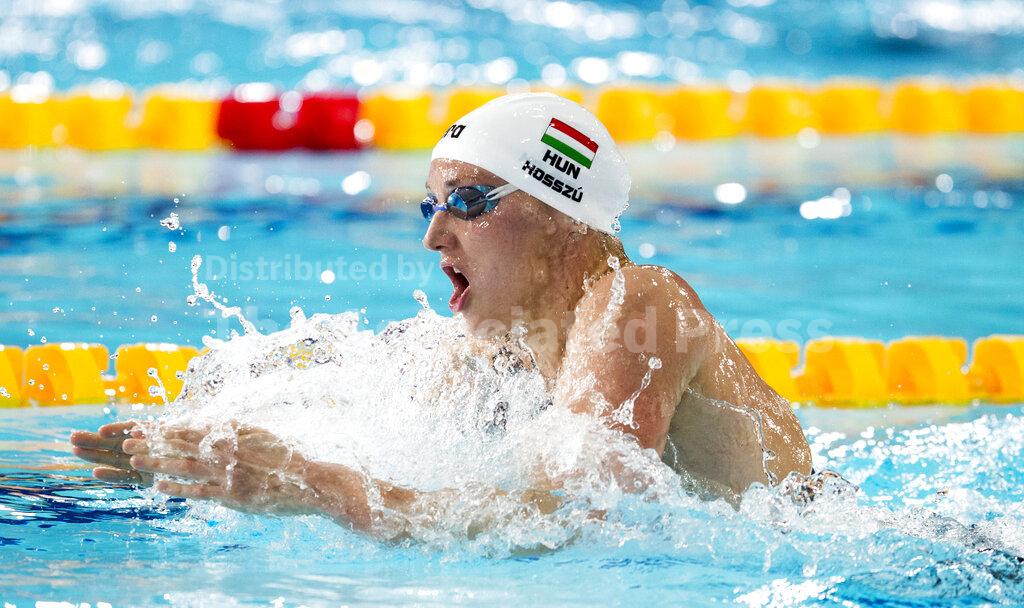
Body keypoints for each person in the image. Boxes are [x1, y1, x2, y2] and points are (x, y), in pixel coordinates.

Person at [70, 93, 812, 537]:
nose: (433, 236)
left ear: (563, 218)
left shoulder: (638, 301)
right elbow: (357, 425)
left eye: (468, 203)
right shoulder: (500, 353)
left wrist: (313, 487)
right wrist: (196, 461)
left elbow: (578, 516)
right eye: (431, 206)